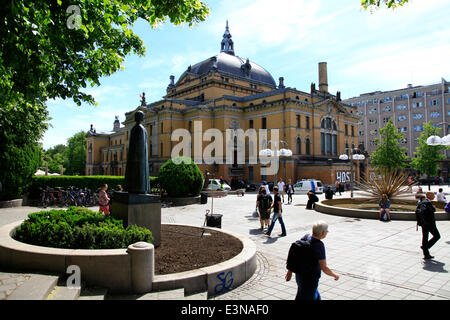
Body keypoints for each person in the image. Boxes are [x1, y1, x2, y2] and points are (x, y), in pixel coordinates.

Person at [285, 221, 339, 300]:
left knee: (311, 295)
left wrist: (290, 271)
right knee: (305, 296)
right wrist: (335, 275)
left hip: (299, 275)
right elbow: (324, 268)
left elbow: (295, 256)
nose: (327, 233)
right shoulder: (319, 245)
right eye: (327, 231)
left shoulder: (306, 237)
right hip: (310, 279)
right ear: (323, 233)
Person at [417, 192, 441, 259]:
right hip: (430, 223)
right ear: (429, 196)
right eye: (433, 195)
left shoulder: (420, 203)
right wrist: (433, 207)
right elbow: (433, 210)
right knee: (437, 236)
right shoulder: (427, 202)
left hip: (423, 223)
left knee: (425, 237)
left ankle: (426, 254)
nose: (434, 196)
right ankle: (425, 247)